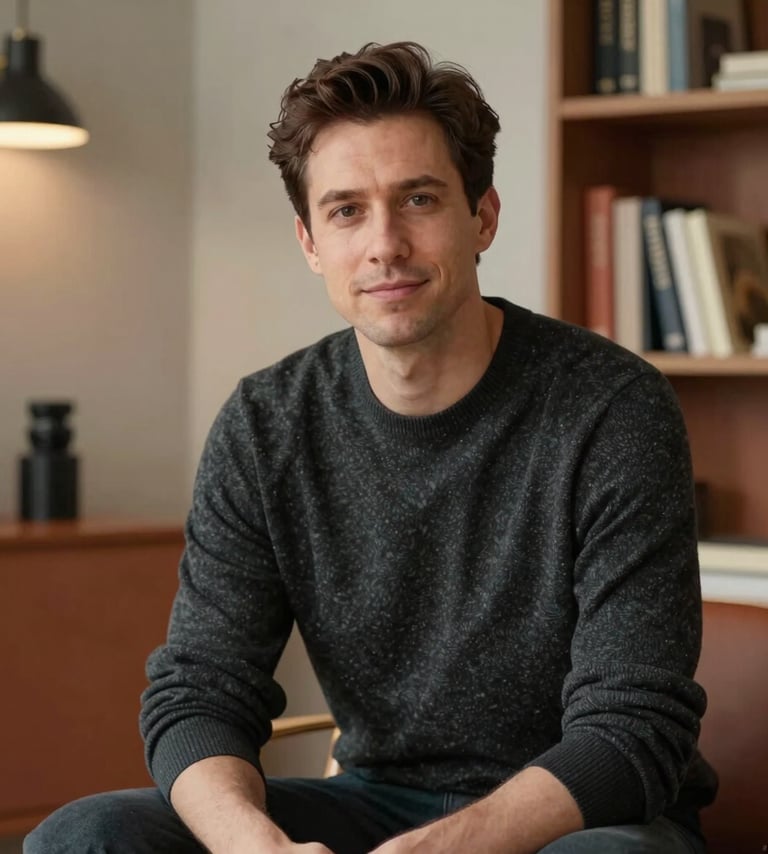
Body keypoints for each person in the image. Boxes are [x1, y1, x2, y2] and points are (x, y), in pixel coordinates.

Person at [25, 41, 717, 854]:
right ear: (311, 241)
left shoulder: (612, 408)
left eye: (418, 199)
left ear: (482, 216)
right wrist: (255, 845)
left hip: (580, 820)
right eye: (347, 210)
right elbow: (200, 691)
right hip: (371, 804)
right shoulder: (266, 425)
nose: (384, 243)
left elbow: (633, 727)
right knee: (86, 836)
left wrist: (449, 847)